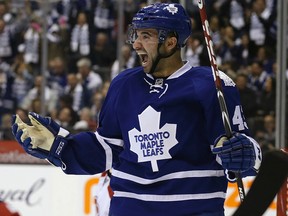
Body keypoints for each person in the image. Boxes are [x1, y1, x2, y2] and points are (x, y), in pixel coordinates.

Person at [12, 3, 262, 216]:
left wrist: (246, 153)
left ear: (171, 42)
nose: (136, 44)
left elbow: (238, 151)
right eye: (136, 35)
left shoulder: (211, 85)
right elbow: (107, 148)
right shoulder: (124, 84)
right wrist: (60, 147)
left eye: (146, 36)